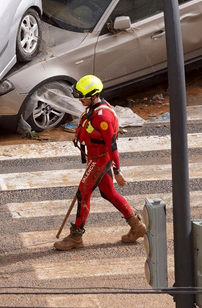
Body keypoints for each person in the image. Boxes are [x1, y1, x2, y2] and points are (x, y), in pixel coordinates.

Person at [54, 75, 147, 251]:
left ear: (94, 95)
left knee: (83, 194)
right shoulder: (93, 108)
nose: (80, 100)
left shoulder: (103, 117)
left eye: (83, 96)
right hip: (94, 157)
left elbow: (112, 146)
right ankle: (136, 226)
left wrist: (117, 171)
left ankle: (76, 237)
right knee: (108, 193)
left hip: (99, 160)